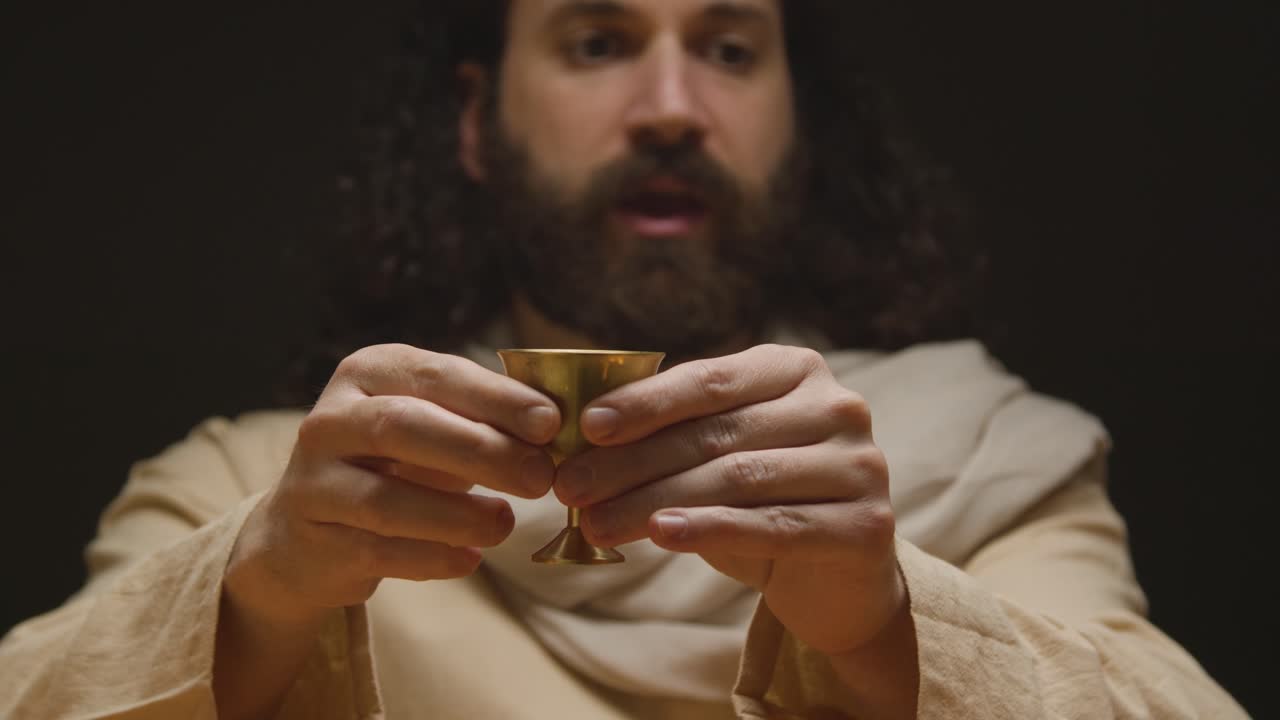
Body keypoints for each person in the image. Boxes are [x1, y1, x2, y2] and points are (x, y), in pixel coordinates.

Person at [0, 2, 1250, 719]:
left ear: (796, 126)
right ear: (475, 125)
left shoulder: (987, 461)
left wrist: (881, 623)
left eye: (728, 47)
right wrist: (259, 595)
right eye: (598, 42)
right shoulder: (260, 485)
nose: (668, 106)